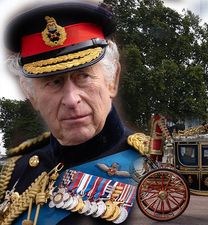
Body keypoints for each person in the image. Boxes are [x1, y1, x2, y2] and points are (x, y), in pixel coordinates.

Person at [0, 1, 146, 224]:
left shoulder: (148, 168)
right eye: (54, 82)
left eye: (84, 76)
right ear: (31, 96)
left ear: (112, 80)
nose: (71, 99)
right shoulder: (14, 172)